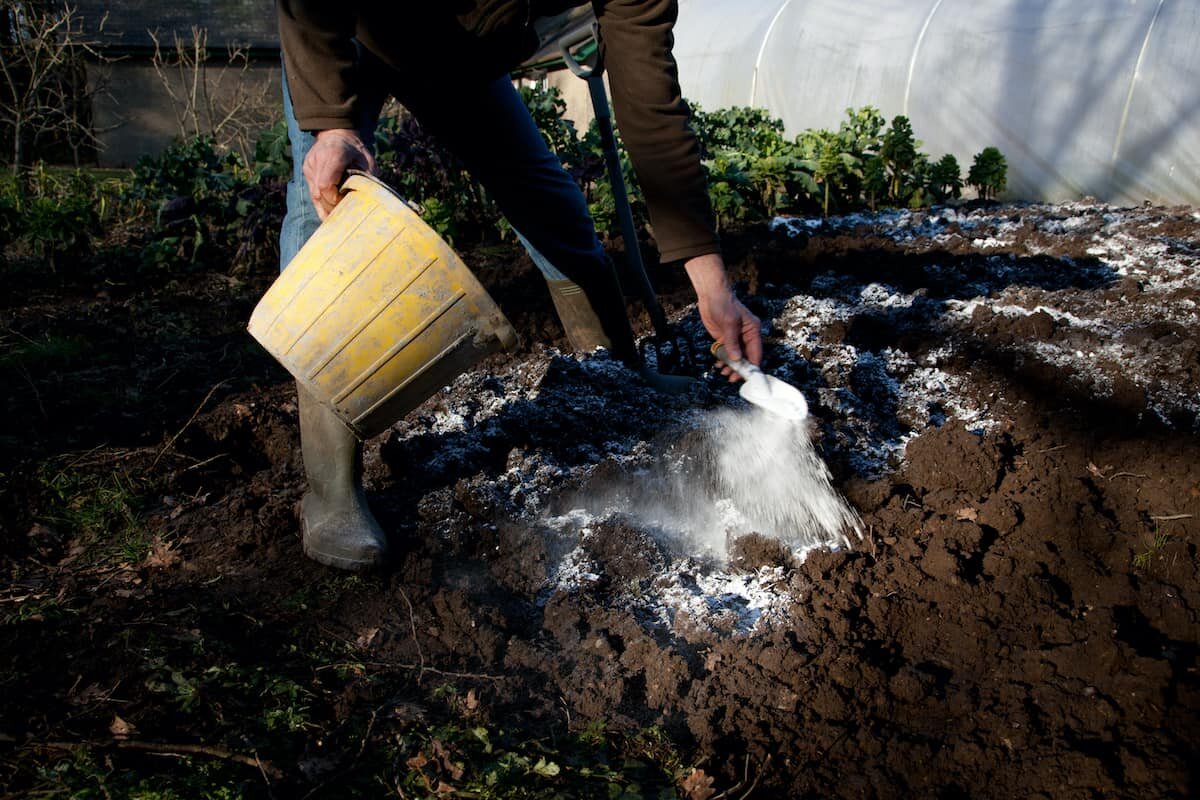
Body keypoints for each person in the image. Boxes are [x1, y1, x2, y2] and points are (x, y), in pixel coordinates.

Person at [277, 0, 763, 570]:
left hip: (459, 57)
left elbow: (653, 109)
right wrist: (332, 124)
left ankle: (616, 379)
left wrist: (713, 288)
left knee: (549, 205)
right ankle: (330, 489)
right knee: (326, 212)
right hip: (351, 37)